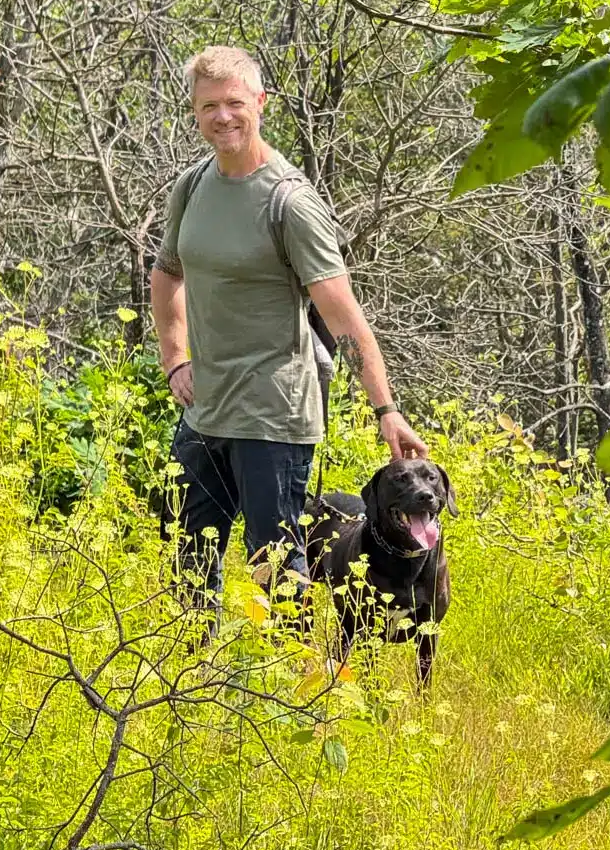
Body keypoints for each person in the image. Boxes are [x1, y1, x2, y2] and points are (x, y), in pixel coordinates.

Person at [150, 44, 428, 611]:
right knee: (186, 555)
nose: (223, 117)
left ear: (260, 101)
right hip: (205, 411)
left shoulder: (289, 201)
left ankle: (293, 689)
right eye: (209, 107)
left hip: (273, 415)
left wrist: (387, 409)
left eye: (234, 103)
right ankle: (191, 678)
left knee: (272, 562)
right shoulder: (194, 185)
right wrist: (175, 357)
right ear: (194, 113)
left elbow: (343, 315)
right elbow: (166, 271)